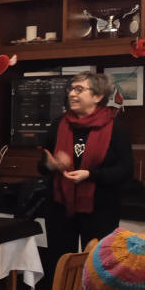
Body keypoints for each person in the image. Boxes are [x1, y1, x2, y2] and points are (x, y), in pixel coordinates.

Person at [40, 72, 133, 273]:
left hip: (100, 209)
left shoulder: (116, 128)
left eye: (79, 89)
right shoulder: (58, 125)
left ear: (98, 96)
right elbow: (42, 166)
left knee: (98, 267)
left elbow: (126, 170)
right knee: (61, 264)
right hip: (60, 208)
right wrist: (51, 165)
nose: (72, 94)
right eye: (71, 89)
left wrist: (91, 175)